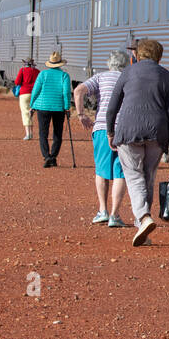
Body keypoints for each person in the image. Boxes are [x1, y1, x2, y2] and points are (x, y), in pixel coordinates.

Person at [104, 38, 169, 246]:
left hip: (129, 130)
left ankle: (144, 218)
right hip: (158, 132)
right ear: (159, 56)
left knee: (134, 176)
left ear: (138, 55)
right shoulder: (165, 75)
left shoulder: (128, 72)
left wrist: (110, 132)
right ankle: (142, 227)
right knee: (148, 177)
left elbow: (112, 107)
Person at [75, 51, 130, 228]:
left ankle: (102, 210)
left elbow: (78, 90)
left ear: (109, 64)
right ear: (126, 63)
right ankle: (115, 214)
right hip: (125, 129)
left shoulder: (100, 77)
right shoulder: (128, 78)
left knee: (101, 170)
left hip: (102, 128)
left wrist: (81, 114)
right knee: (120, 172)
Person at [30, 51, 72, 167]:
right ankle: (53, 156)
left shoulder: (43, 74)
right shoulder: (64, 76)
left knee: (43, 133)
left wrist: (32, 105)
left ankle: (46, 156)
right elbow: (66, 93)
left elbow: (36, 90)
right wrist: (67, 107)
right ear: (60, 64)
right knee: (57, 133)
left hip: (42, 107)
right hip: (59, 107)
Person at [13, 58, 40, 140]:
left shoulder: (23, 70)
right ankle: (31, 133)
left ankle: (28, 134)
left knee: (25, 113)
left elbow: (17, 82)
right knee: (31, 113)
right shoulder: (37, 71)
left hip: (24, 93)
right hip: (34, 94)